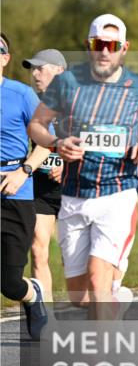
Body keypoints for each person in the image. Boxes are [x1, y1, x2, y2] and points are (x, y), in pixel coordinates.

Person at [28, 14, 138, 319]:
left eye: (113, 45)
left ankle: (101, 347)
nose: (105, 51)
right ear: (88, 45)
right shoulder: (67, 83)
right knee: (80, 295)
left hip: (118, 192)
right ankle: (114, 299)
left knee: (97, 279)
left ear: (124, 48)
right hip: (74, 193)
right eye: (98, 44)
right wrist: (56, 143)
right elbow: (37, 125)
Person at [1, 33, 51, 339]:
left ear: (5, 58)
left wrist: (24, 171)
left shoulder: (22, 95)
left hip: (15, 193)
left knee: (9, 283)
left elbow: (45, 143)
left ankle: (31, 294)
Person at [22, 49, 67, 301]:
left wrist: (69, 165)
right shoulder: (31, 103)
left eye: (40, 68)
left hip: (75, 188)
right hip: (40, 187)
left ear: (59, 71)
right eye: (33, 69)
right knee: (38, 250)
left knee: (75, 258)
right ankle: (45, 316)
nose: (35, 74)